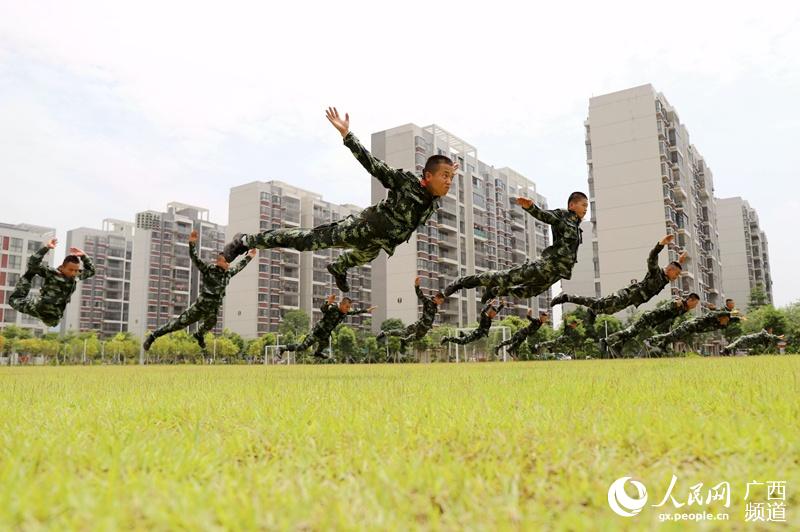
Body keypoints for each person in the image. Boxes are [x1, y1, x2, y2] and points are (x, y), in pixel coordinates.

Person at [221, 107, 457, 292]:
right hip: (361, 229)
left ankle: (338, 267)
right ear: (427, 176)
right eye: (444, 177)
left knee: (360, 257)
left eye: (451, 178)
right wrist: (347, 134)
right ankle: (244, 240)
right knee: (307, 240)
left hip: (378, 244)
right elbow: (373, 165)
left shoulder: (433, 199)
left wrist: (448, 170)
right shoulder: (407, 183)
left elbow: (436, 182)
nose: (448, 182)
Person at [444, 192, 587, 303]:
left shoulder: (577, 228)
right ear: (572, 206)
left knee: (529, 292)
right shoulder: (564, 216)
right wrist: (531, 207)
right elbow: (546, 216)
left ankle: (494, 292)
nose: (586, 209)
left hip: (557, 273)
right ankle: (462, 282)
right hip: (546, 266)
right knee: (506, 277)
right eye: (584, 205)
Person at [143, 230, 256, 351]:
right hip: (199, 307)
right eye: (226, 261)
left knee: (211, 323)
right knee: (177, 324)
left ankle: (199, 335)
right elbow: (195, 258)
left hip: (212, 310)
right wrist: (192, 244)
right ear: (219, 261)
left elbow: (239, 266)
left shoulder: (228, 274)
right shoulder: (208, 269)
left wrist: (249, 256)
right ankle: (153, 336)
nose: (228, 263)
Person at [551, 235, 688, 321]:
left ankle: (594, 310)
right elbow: (652, 257)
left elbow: (673, 268)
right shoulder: (656, 272)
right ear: (670, 270)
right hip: (627, 294)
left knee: (609, 311)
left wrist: (679, 262)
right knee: (599, 303)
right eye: (676, 274)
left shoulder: (665, 277)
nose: (676, 278)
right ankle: (566, 297)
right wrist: (660, 244)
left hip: (631, 300)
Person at [9, 238, 95, 326]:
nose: (73, 273)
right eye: (70, 270)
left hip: (54, 317)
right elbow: (33, 263)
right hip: (39, 308)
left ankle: (29, 276)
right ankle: (27, 278)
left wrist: (84, 256)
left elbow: (91, 271)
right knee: (14, 300)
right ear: (61, 267)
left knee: (53, 323)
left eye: (76, 270)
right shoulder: (52, 273)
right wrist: (46, 248)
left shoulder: (75, 277)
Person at [280, 295, 376, 359]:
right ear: (342, 304)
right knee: (303, 347)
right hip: (317, 331)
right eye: (347, 307)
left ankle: (318, 353)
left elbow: (355, 311)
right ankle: (283, 348)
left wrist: (366, 310)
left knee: (324, 344)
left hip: (325, 335)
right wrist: (328, 303)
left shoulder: (345, 312)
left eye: (349, 307)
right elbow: (323, 309)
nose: (348, 309)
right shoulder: (333, 308)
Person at [601, 293, 700, 354]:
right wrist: (675, 305)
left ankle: (617, 346)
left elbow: (670, 317)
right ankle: (606, 340)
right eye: (695, 304)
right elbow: (665, 308)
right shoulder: (677, 303)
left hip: (652, 321)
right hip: (648, 318)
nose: (695, 306)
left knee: (632, 333)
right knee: (629, 332)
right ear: (690, 300)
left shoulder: (683, 308)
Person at [645, 299, 741, 355]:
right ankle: (651, 339)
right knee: (672, 335)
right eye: (726, 319)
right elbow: (718, 313)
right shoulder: (714, 316)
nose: (727, 322)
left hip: (694, 329)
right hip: (690, 325)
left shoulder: (721, 321)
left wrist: (738, 317)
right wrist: (728, 312)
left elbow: (732, 318)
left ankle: (661, 345)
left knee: (674, 337)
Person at [376, 276, 444, 350]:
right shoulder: (428, 302)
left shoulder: (435, 307)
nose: (441, 303)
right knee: (404, 332)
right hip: (420, 324)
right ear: (436, 298)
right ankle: (384, 333)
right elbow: (420, 295)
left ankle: (404, 341)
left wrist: (430, 325)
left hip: (425, 328)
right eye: (440, 301)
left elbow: (431, 318)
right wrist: (417, 286)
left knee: (417, 337)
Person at [440, 300, 505, 346]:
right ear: (490, 312)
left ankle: (464, 334)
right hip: (476, 334)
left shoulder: (490, 317)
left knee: (466, 339)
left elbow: (497, 311)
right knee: (462, 342)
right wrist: (489, 305)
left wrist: (502, 305)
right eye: (494, 314)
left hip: (478, 335)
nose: (494, 316)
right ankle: (447, 338)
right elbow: (483, 311)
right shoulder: (485, 316)